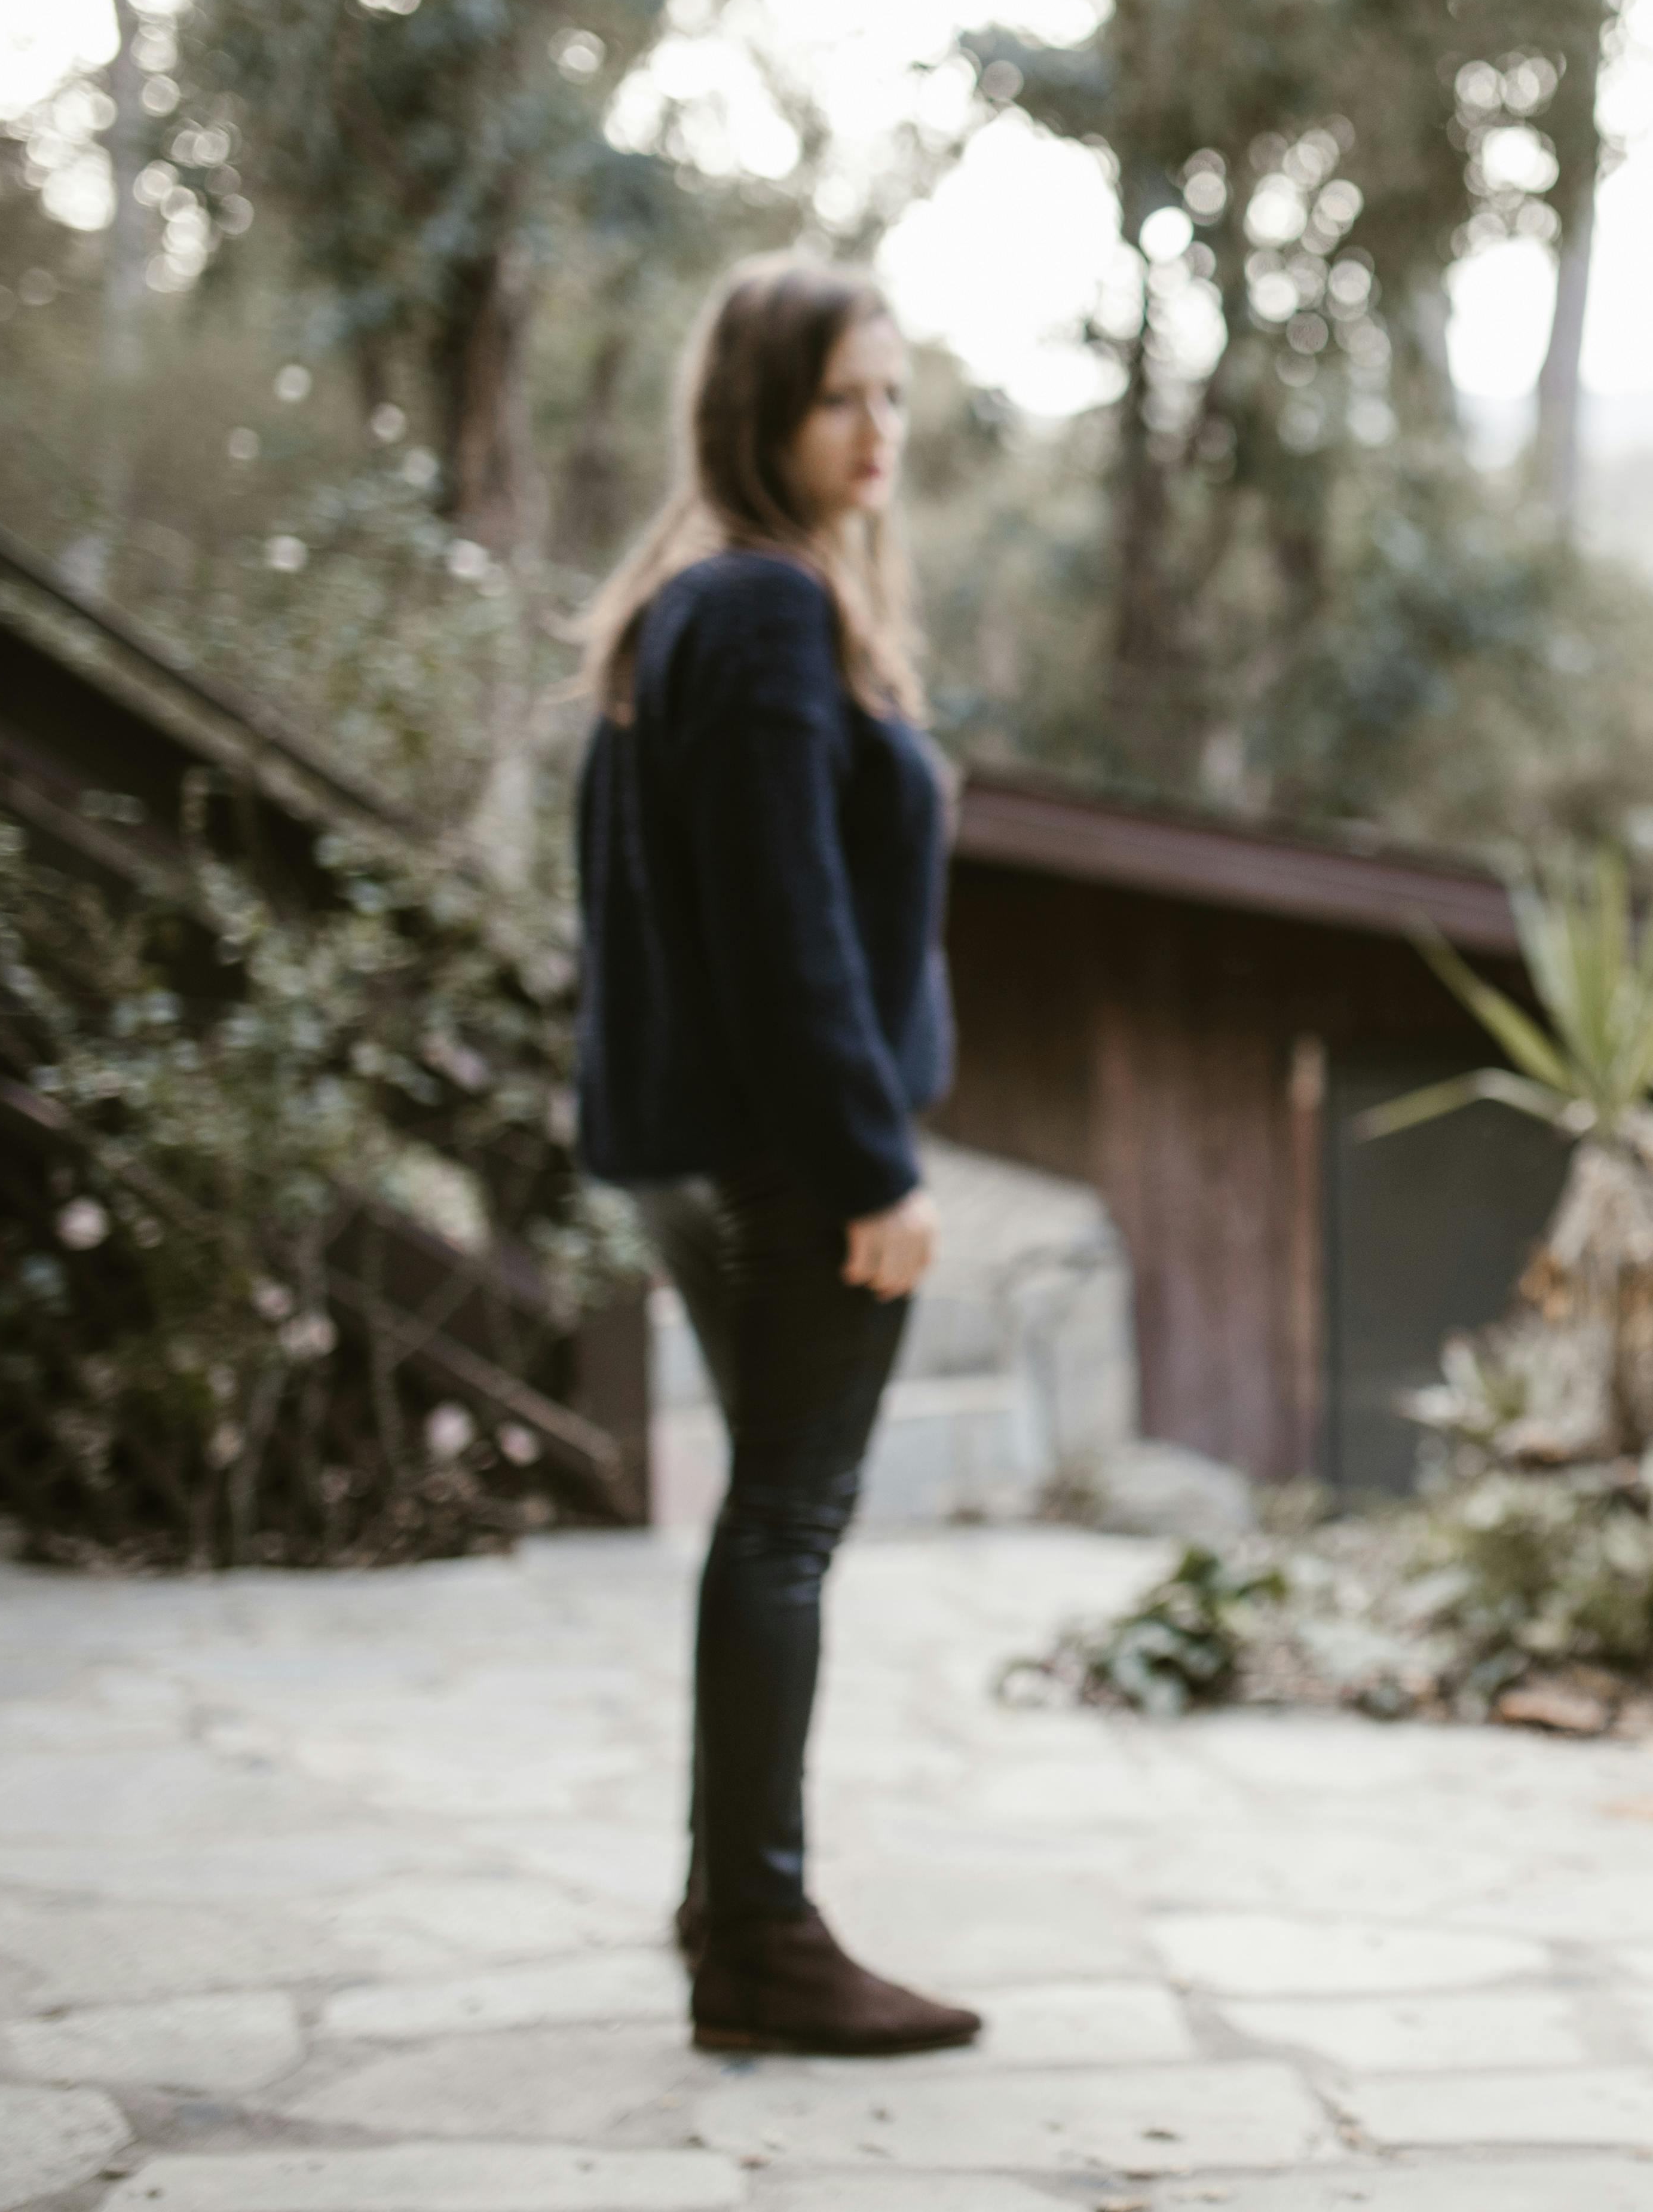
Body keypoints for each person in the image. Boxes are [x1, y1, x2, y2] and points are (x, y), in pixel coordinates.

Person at [573, 255, 978, 2057]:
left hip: (721, 1154)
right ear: (760, 413)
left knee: (769, 1520)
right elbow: (782, 928)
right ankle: (759, 1938)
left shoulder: (711, 603)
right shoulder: (755, 613)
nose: (877, 430)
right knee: (785, 1525)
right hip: (781, 1165)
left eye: (892, 395)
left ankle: (727, 1900)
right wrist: (870, 1168)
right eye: (841, 398)